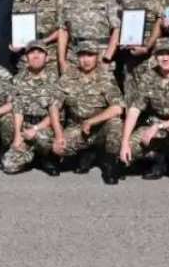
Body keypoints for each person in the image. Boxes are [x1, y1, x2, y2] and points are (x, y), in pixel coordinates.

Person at [117, 38, 169, 191]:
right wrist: (124, 143)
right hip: (154, 123)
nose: (165, 58)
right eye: (161, 54)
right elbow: (135, 109)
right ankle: (158, 159)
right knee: (125, 153)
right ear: (155, 57)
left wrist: (159, 126)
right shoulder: (149, 76)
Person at [51, 41, 124, 184]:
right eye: (82, 55)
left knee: (115, 123)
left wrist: (91, 121)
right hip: (77, 127)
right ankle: (86, 153)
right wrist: (59, 135)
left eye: (90, 55)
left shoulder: (105, 76)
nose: (86, 60)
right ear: (77, 58)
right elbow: (54, 106)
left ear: (97, 57)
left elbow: (118, 108)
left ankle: (110, 163)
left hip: (100, 127)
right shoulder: (68, 77)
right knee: (58, 149)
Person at [1, 40, 60, 175]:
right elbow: (17, 108)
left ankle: (46, 158)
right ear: (26, 57)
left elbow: (55, 113)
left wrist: (35, 129)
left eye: (40, 52)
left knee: (43, 138)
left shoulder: (55, 80)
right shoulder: (18, 79)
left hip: (44, 126)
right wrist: (17, 135)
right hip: (25, 125)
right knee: (8, 165)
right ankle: (21, 152)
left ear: (47, 57)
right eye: (32, 52)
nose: (36, 56)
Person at [58, 0, 119, 73]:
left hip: (101, 56)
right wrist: (62, 61)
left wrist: (108, 57)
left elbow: (116, 29)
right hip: (75, 57)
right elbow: (63, 30)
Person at [10, 0, 62, 73]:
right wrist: (15, 43)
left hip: (49, 55)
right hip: (25, 56)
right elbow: (12, 25)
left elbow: (62, 29)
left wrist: (44, 40)